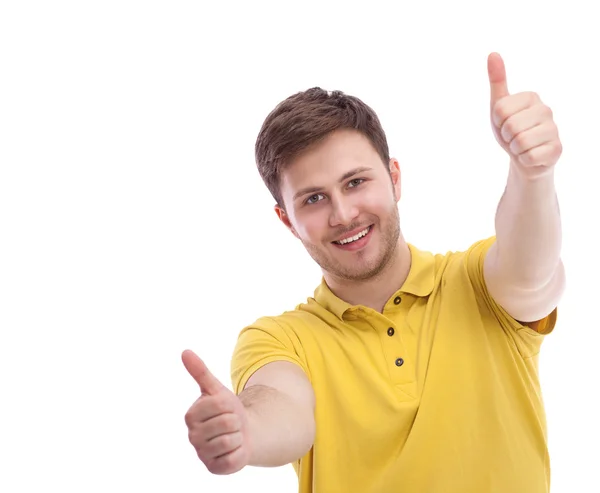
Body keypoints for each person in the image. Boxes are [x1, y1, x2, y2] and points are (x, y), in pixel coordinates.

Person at [181, 52, 565, 493]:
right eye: (313, 199)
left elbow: (531, 273)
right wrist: (246, 429)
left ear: (394, 177)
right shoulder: (278, 340)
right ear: (286, 220)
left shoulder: (479, 284)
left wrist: (533, 175)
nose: (343, 214)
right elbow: (284, 410)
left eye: (355, 182)